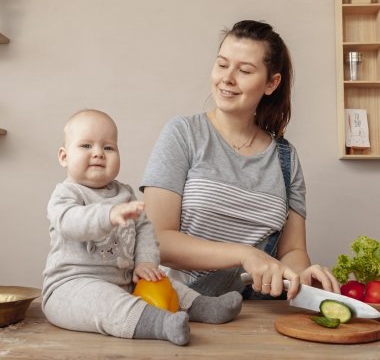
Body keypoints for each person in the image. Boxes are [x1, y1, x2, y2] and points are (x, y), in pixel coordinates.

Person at [140, 20, 341, 300]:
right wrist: (244, 255)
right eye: (222, 65)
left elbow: (292, 251)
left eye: (244, 70)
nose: (227, 78)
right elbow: (156, 240)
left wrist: (301, 276)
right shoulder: (183, 134)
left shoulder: (285, 158)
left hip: (258, 315)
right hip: (182, 306)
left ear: (272, 83)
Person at [42, 109, 242, 347]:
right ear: (64, 157)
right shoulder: (66, 194)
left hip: (124, 281)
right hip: (73, 287)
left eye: (108, 148)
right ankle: (161, 325)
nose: (98, 154)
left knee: (163, 281)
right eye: (86, 146)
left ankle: (202, 306)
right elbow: (70, 222)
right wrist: (108, 215)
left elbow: (145, 229)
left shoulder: (124, 193)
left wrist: (146, 263)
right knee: (108, 303)